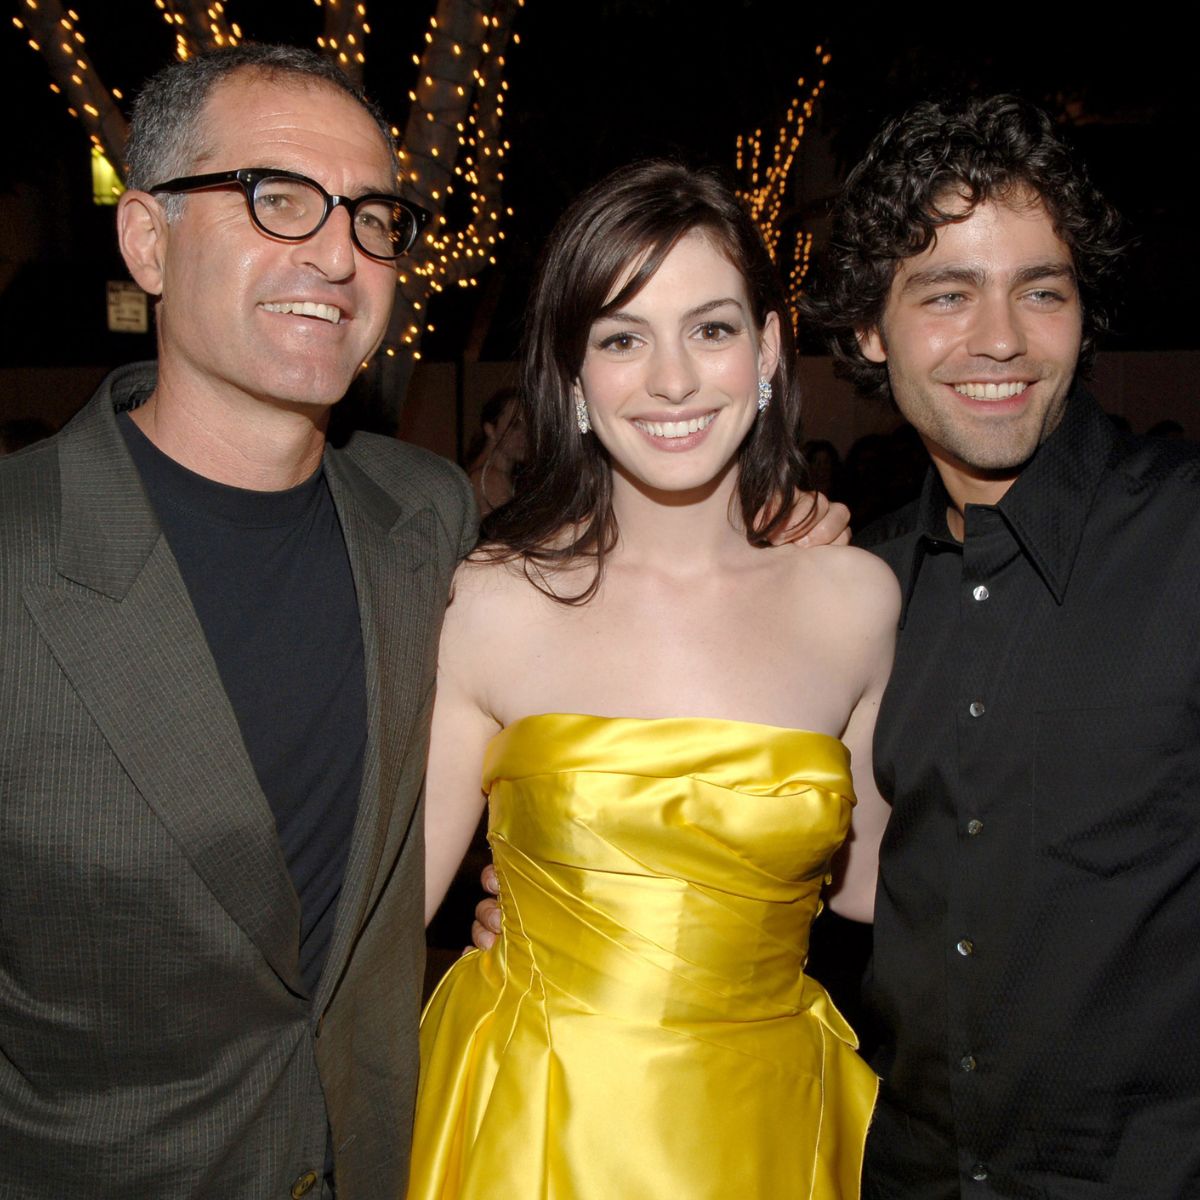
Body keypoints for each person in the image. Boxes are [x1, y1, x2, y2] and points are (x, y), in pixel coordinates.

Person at [0, 45, 475, 1199]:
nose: (336, 252)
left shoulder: (431, 516)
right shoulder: (18, 555)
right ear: (147, 242)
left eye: (372, 217)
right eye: (277, 198)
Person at [408, 160, 898, 1199]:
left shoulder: (857, 599)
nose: (672, 379)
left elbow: (880, 889)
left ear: (766, 348)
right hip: (537, 1121)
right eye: (623, 337)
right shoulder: (491, 604)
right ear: (574, 377)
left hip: (771, 1121)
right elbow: (385, 908)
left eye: (711, 329)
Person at [806, 95, 1200, 1197]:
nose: (1001, 339)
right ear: (872, 333)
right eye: (947, 294)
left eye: (1042, 291)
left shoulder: (1186, 543)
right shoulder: (855, 595)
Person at [463, 386, 527, 514]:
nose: (525, 434)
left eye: (529, 426)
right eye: (515, 426)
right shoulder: (488, 478)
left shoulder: (497, 475)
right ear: (490, 429)